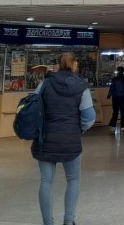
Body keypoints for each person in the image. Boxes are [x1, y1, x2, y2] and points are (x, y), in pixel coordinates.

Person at [33, 53, 95, 225]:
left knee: (46, 181)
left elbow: (32, 106)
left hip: (45, 139)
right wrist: (78, 130)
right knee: (73, 179)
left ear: (59, 65)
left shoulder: (45, 84)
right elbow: (89, 118)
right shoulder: (82, 87)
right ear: (74, 65)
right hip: (70, 141)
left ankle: (48, 222)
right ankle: (69, 220)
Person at [107, 66, 124, 135]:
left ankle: (113, 127)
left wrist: (109, 95)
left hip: (116, 98)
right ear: (123, 72)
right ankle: (122, 128)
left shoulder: (114, 79)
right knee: (123, 113)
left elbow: (112, 88)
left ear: (117, 71)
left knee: (115, 112)